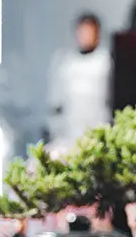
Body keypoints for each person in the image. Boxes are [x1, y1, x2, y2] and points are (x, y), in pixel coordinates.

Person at [47, 13, 112, 153]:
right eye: (82, 31)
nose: (85, 36)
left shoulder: (106, 62)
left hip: (98, 128)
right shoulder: (66, 63)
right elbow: (56, 103)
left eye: (89, 31)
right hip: (70, 132)